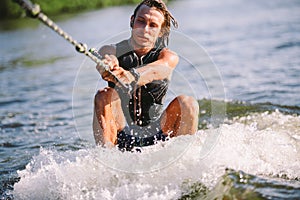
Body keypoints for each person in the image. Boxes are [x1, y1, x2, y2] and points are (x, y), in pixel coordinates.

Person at [93, 0, 199, 151]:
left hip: (158, 134)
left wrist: (131, 75)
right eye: (141, 21)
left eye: (153, 25)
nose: (145, 29)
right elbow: (107, 59)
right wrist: (108, 65)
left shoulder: (168, 56)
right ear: (132, 21)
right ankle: (106, 159)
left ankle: (184, 162)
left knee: (188, 103)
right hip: (121, 133)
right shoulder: (110, 50)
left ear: (161, 31)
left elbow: (159, 69)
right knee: (104, 95)